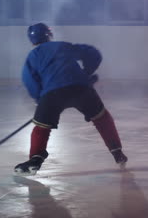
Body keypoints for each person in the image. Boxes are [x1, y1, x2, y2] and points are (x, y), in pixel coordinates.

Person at [14, 23, 128, 175]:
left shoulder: (33, 56)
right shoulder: (62, 46)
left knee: (41, 127)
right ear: (49, 35)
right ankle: (117, 152)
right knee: (102, 118)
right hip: (81, 89)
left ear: (31, 40)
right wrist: (86, 72)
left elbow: (29, 80)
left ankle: (35, 160)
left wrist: (39, 99)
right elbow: (93, 53)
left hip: (52, 94)